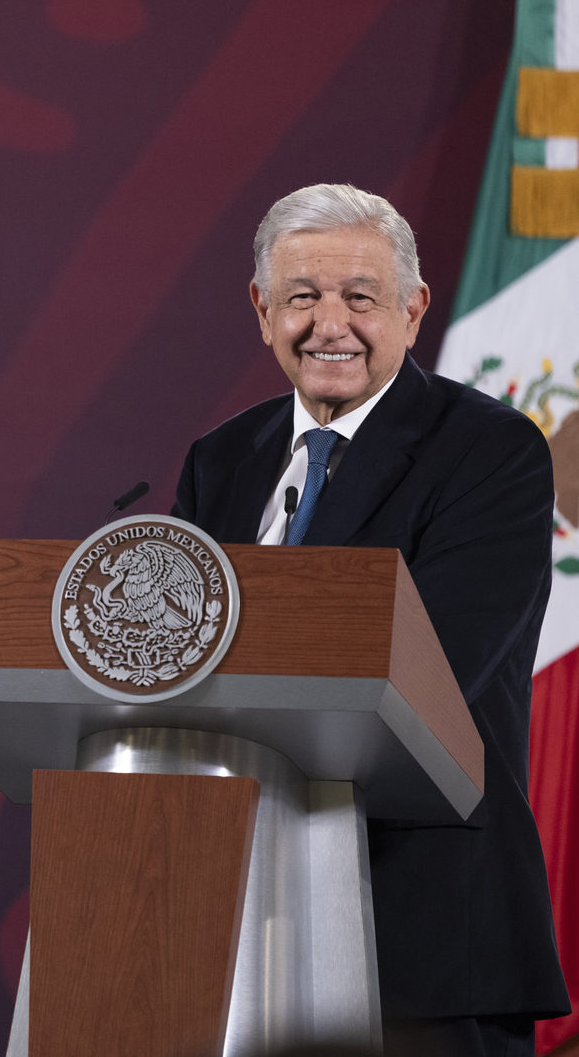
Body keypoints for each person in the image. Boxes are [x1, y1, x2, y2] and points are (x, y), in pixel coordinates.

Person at [173, 183, 568, 1056]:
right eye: (302, 297)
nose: (331, 325)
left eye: (360, 296)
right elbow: (173, 660)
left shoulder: (489, 452)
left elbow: (430, 670)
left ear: (413, 310)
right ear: (261, 309)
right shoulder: (221, 459)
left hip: (426, 928)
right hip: (234, 921)